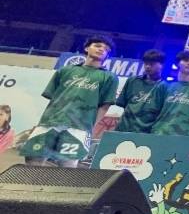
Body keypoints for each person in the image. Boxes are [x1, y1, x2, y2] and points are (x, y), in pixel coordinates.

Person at [21, 35, 119, 167]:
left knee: (67, 166)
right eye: (97, 46)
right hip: (49, 122)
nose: (102, 49)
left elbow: (104, 106)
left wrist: (89, 129)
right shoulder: (65, 70)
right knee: (33, 160)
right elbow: (53, 97)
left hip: (79, 128)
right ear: (87, 48)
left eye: (106, 49)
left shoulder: (110, 78)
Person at [150, 51, 189, 136]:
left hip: (185, 136)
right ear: (177, 63)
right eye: (186, 60)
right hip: (160, 132)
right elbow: (155, 109)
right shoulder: (164, 85)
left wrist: (187, 126)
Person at [115, 49, 166, 133]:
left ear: (161, 65)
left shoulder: (166, 87)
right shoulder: (132, 81)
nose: (148, 66)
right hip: (123, 129)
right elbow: (123, 104)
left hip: (147, 133)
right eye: (146, 63)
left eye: (151, 64)